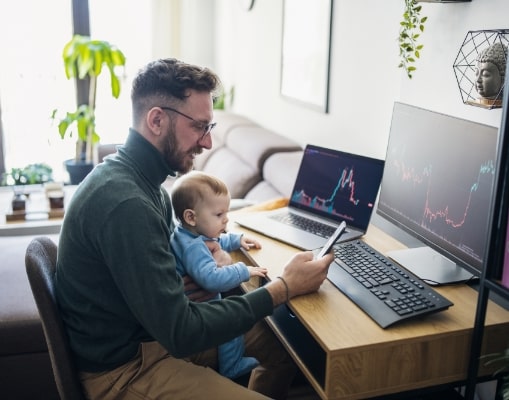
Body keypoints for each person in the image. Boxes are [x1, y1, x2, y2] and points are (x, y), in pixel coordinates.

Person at [55, 57, 334, 400]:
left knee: (284, 346)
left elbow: (159, 276)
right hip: (126, 369)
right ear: (156, 120)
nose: (207, 143)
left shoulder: (145, 183)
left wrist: (178, 284)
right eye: (200, 127)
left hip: (152, 333)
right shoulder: (126, 203)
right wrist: (283, 288)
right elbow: (182, 332)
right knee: (272, 313)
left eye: (209, 128)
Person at [170, 170, 267, 379]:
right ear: (191, 217)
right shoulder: (193, 248)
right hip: (197, 310)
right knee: (230, 322)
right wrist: (244, 270)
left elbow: (214, 240)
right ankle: (232, 365)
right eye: (219, 215)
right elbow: (212, 279)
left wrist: (237, 240)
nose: (226, 220)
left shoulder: (187, 233)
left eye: (226, 213)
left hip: (193, 305)